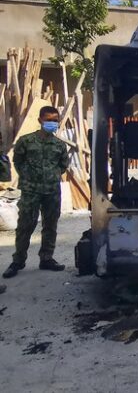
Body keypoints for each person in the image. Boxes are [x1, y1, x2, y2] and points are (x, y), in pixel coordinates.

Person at [3, 106, 69, 279]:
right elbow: (18, 161)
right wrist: (29, 177)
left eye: (55, 120)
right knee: (25, 225)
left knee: (50, 226)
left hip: (51, 191)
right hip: (31, 190)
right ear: (40, 120)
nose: (52, 123)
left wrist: (51, 176)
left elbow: (63, 165)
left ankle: (46, 258)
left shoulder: (60, 145)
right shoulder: (26, 141)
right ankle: (18, 261)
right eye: (48, 120)